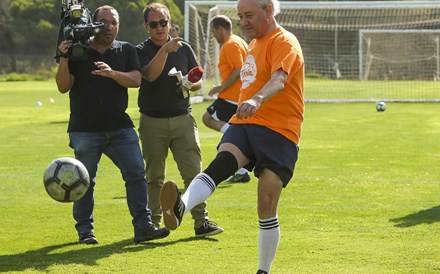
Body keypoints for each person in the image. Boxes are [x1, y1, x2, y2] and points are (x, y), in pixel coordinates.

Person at [160, 0, 304, 272]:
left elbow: (280, 78)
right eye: (240, 16)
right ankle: (181, 207)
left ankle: (263, 270)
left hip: (279, 131)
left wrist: (258, 98)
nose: (244, 21)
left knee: (266, 206)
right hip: (245, 122)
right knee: (221, 163)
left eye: (249, 15)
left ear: (269, 11)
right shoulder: (252, 45)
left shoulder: (284, 41)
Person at [55, 5, 170, 245]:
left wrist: (112, 74)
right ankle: (85, 231)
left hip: (120, 127)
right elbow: (63, 86)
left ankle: (143, 227)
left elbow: (137, 79)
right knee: (84, 181)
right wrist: (64, 58)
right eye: (104, 22)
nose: (109, 27)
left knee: (137, 174)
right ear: (93, 24)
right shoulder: (79, 51)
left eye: (114, 22)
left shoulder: (125, 49)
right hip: (85, 129)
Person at [136, 3, 223, 237]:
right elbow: (150, 75)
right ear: (146, 26)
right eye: (153, 24)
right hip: (152, 121)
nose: (159, 27)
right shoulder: (142, 49)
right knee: (154, 176)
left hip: (182, 118)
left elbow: (196, 80)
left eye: (163, 22)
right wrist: (164, 50)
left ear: (169, 22)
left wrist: (187, 83)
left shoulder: (183, 48)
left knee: (194, 173)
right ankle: (153, 224)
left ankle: (201, 222)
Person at [203, 14, 251, 183]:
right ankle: (242, 171)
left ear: (221, 29)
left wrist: (221, 87)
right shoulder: (238, 41)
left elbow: (238, 69)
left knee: (208, 118)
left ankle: (233, 138)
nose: (213, 35)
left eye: (213, 31)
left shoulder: (230, 45)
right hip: (238, 95)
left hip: (232, 95)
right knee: (234, 130)